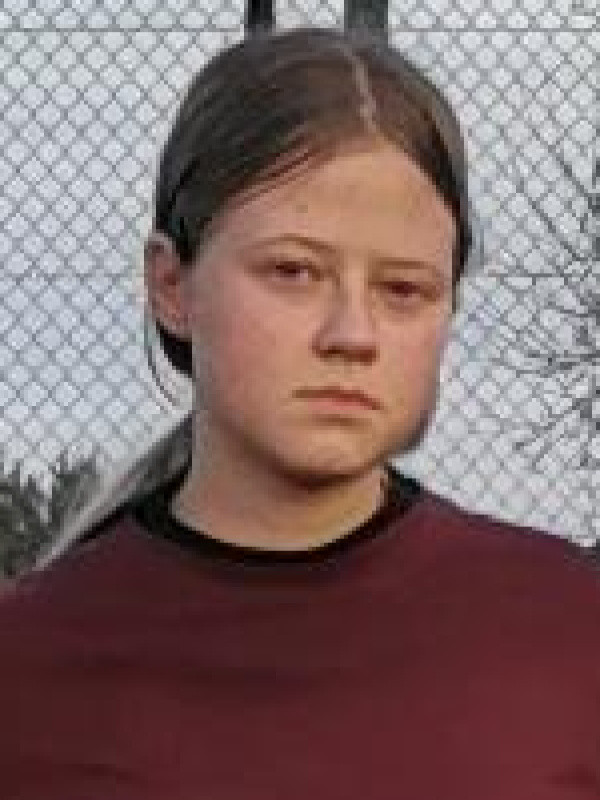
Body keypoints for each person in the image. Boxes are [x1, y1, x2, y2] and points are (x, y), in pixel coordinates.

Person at [0, 24, 599, 800]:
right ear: (172, 286)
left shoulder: (565, 629)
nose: (352, 334)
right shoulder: (33, 667)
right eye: (293, 272)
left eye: (404, 290)